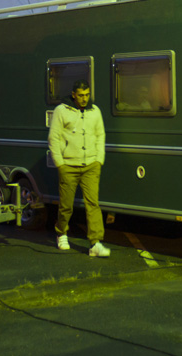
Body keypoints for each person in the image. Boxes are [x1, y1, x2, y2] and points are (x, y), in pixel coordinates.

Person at [48, 80, 110, 257]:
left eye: (87, 95)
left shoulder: (95, 111)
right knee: (66, 205)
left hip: (91, 165)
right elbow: (54, 137)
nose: (84, 99)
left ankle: (95, 242)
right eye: (81, 95)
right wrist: (60, 163)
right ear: (74, 94)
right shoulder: (61, 110)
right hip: (68, 165)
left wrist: (99, 159)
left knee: (93, 204)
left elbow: (100, 135)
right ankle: (61, 233)